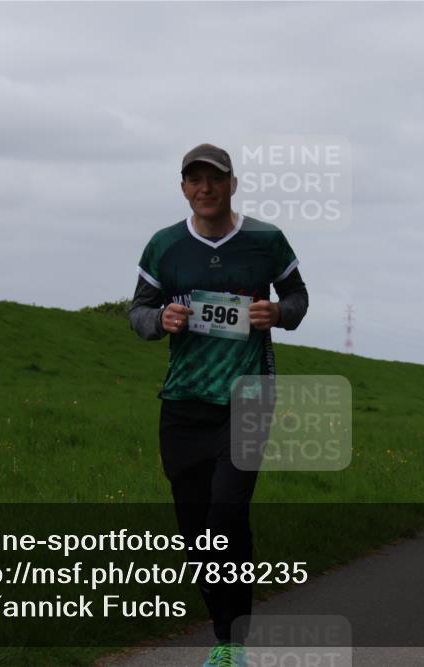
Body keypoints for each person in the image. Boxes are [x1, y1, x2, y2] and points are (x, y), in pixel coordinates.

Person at [128, 143, 309, 667]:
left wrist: (276, 311)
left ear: (232, 184)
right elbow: (137, 311)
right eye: (194, 180)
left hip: (249, 396)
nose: (205, 189)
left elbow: (298, 300)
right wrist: (158, 320)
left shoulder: (265, 241)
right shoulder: (164, 245)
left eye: (215, 179)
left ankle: (230, 644)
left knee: (225, 517)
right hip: (183, 403)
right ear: (183, 187)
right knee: (196, 534)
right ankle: (228, 627)